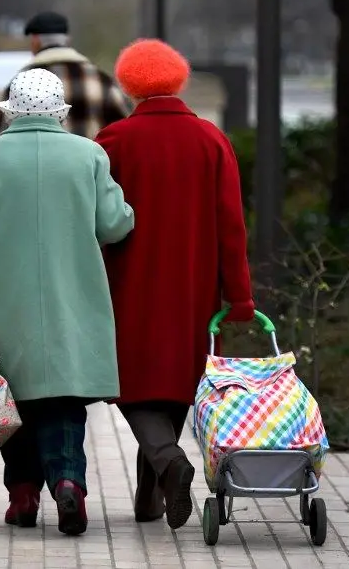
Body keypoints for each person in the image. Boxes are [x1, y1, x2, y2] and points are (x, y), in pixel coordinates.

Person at [0, 69, 135, 535]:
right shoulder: (88, 154)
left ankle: (23, 494)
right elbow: (114, 224)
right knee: (64, 400)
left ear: (11, 110)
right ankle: (69, 482)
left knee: (14, 400)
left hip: (1, 300)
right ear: (59, 113)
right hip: (72, 297)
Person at [94, 39, 255, 530]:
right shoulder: (210, 139)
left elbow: (96, 219)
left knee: (133, 382)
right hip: (194, 285)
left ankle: (167, 463)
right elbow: (232, 223)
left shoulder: (113, 141)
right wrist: (240, 295)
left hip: (130, 283)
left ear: (129, 83)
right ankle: (152, 495)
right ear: (178, 79)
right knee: (175, 382)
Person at [0, 11, 130, 140]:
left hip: (36, 169)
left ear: (35, 41)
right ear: (68, 39)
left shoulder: (20, 83)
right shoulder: (101, 80)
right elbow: (124, 130)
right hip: (89, 169)